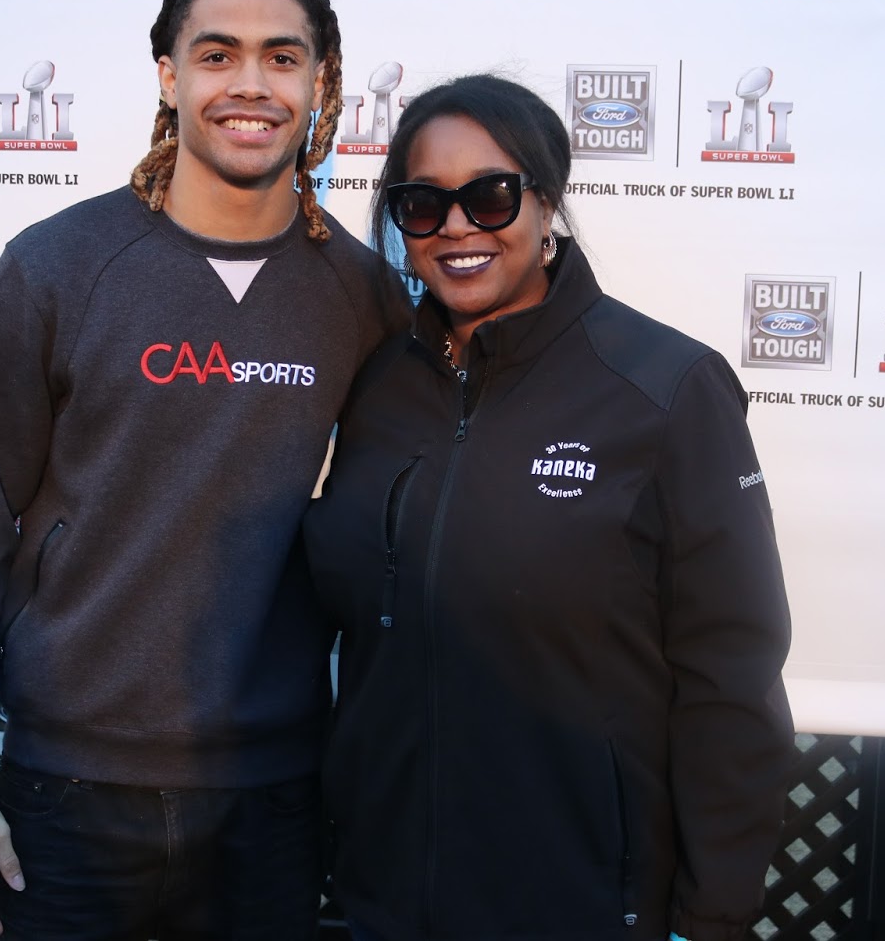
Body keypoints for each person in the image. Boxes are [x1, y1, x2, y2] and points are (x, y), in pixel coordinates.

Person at [0, 0, 406, 939]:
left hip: (269, 794)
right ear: (170, 78)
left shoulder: (360, 295)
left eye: (282, 57)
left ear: (320, 86)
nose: (250, 84)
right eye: (217, 55)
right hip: (65, 789)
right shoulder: (56, 268)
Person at [304, 74, 794, 940]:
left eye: (489, 196)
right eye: (423, 203)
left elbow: (731, 673)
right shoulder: (378, 385)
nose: (457, 226)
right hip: (383, 901)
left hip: (581, 904)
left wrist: (713, 914)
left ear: (545, 199)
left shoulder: (665, 388)